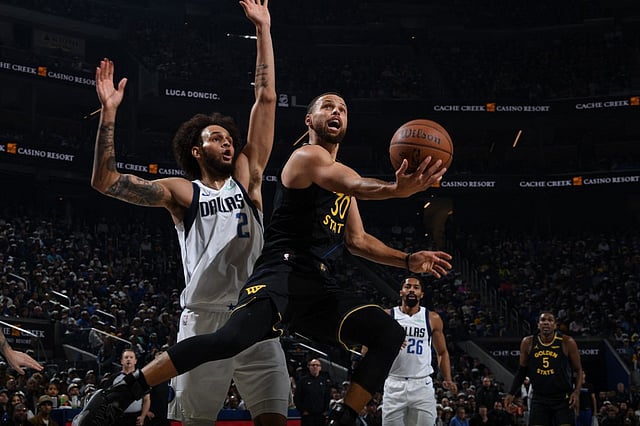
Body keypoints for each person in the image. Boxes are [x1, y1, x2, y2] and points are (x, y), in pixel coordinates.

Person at [76, 91, 451, 426]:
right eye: (328, 105)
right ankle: (123, 390)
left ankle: (345, 417)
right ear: (309, 120)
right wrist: (394, 189)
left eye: (343, 108)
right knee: (226, 345)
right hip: (269, 279)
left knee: (389, 333)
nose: (337, 111)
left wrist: (407, 260)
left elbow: (357, 240)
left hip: (311, 285)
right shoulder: (305, 157)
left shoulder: (303, 180)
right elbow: (352, 181)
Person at [74, 1, 290, 426]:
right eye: (216, 138)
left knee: (274, 417)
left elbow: (265, 99)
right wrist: (109, 115)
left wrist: (263, 29)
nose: (228, 143)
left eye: (229, 138)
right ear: (196, 150)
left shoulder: (248, 178)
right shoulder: (183, 192)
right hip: (205, 318)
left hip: (256, 314)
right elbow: (105, 181)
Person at [380, 276, 457, 426]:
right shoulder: (387, 316)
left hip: (422, 385)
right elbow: (366, 349)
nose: (411, 290)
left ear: (421, 294)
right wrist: (387, 343)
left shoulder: (432, 318)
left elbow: (442, 352)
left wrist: (448, 378)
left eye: (416, 288)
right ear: (401, 292)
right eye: (408, 287)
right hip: (394, 382)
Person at [505, 311, 584, 426]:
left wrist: (576, 392)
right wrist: (511, 393)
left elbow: (578, 370)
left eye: (550, 320)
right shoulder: (528, 342)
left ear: (555, 325)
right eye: (543, 320)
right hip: (539, 398)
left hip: (563, 398)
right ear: (538, 325)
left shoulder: (567, 342)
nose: (546, 323)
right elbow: (522, 371)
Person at [112, 349, 150, 426]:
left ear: (135, 361)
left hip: (135, 418)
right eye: (126, 357)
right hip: (118, 418)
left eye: (131, 357)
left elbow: (146, 399)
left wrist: (143, 416)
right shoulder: (114, 378)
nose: (128, 359)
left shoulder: (141, 378)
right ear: (121, 361)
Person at [294, 359, 332, 426]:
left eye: (317, 365)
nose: (315, 367)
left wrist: (325, 411)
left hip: (320, 415)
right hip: (307, 416)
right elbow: (297, 397)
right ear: (309, 367)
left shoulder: (324, 381)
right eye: (313, 365)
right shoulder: (302, 381)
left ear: (320, 368)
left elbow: (327, 397)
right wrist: (302, 411)